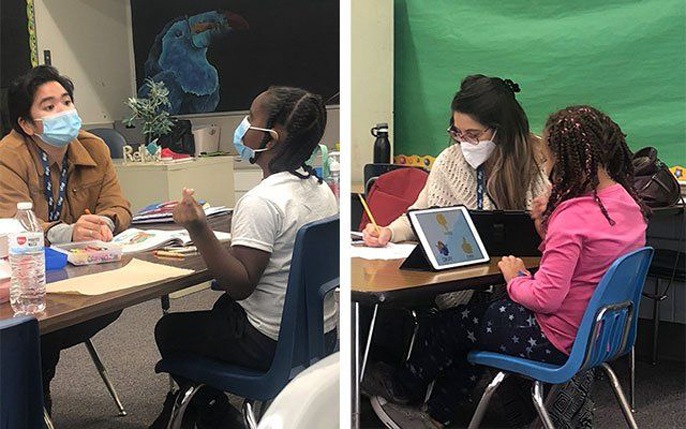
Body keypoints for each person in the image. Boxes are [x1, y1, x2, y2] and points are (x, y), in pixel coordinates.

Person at [363, 105, 648, 428]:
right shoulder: (626, 203)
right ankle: (437, 414)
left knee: (454, 326)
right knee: (477, 326)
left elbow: (546, 298)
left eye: (549, 159)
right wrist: (544, 228)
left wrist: (515, 278)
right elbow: (581, 268)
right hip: (602, 337)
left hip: (555, 338)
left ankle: (405, 389)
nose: (546, 166)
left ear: (566, 160)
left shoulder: (572, 218)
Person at [150, 87, 338, 428]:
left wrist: (198, 228)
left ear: (271, 136)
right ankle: (208, 406)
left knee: (169, 329)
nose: (244, 124)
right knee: (220, 312)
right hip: (319, 336)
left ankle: (214, 411)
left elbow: (239, 285)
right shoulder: (320, 189)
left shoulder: (262, 201)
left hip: (267, 343)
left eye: (252, 118)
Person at [0, 65, 131, 413]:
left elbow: (118, 205)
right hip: (23, 273)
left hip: (80, 270)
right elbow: (14, 222)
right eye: (49, 107)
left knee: (110, 302)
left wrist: (102, 222)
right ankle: (35, 382)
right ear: (26, 124)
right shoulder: (7, 156)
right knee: (35, 320)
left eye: (67, 101)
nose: (64, 112)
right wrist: (69, 231)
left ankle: (37, 374)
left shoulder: (94, 148)